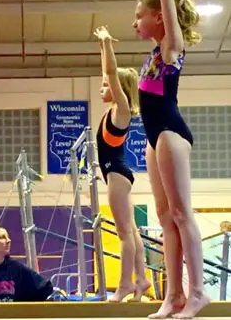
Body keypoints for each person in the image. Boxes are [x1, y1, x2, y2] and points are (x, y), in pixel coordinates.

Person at [134, 0, 209, 318]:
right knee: (165, 218)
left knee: (181, 214)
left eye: (139, 16)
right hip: (154, 137)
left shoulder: (170, 49)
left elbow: (173, 32)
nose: (135, 22)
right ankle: (173, 295)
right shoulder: (153, 54)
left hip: (170, 131)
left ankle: (198, 292)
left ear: (160, 17)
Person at [93, 25, 151, 303]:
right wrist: (102, 47)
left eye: (107, 86)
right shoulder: (112, 112)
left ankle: (124, 284)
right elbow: (110, 73)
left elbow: (113, 74)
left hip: (116, 174)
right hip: (118, 174)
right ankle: (142, 279)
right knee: (133, 232)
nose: (102, 87)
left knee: (124, 234)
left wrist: (107, 43)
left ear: (120, 90)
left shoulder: (122, 110)